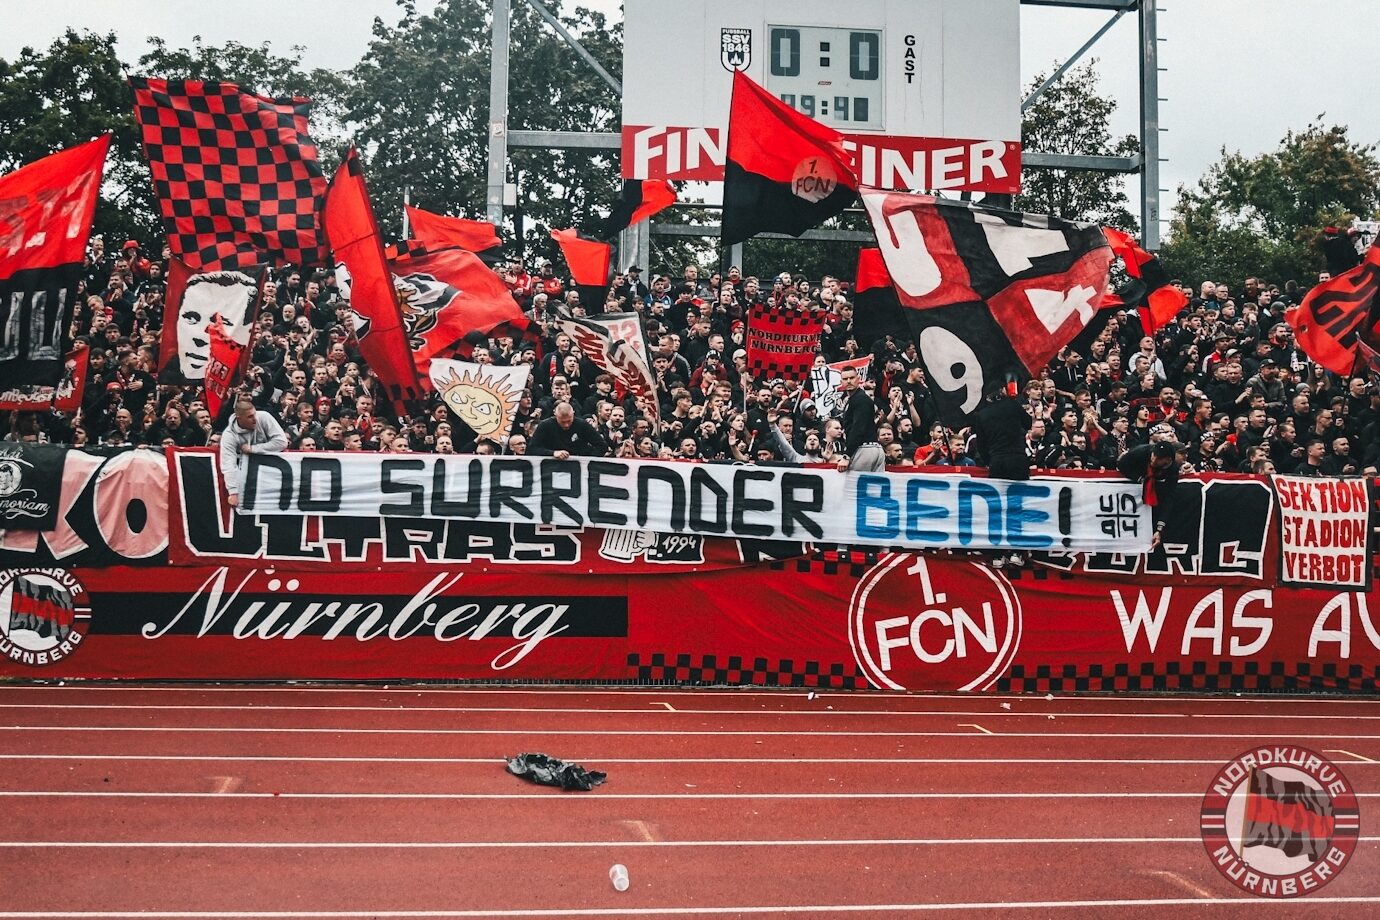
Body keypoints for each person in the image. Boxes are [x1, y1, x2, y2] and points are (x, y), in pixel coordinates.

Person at [219, 397, 288, 508]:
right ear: (239, 418)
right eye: (250, 417)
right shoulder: (229, 435)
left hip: (271, 469)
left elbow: (281, 442)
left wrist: (253, 449)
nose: (255, 419)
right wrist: (233, 492)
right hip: (248, 475)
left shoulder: (264, 417)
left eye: (254, 414)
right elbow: (228, 464)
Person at [1116, 440, 1182, 550]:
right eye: (1154, 455)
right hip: (1133, 479)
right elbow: (1121, 464)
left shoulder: (1173, 469)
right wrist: (1140, 479)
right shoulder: (1140, 452)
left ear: (1168, 460)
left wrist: (1159, 529)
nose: (1154, 459)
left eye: (1159, 458)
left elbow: (1169, 498)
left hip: (1154, 497)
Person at [839, 364, 883, 471]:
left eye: (852, 378)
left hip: (864, 449)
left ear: (859, 379)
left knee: (853, 485)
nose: (849, 381)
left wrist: (847, 455)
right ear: (841, 382)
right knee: (874, 487)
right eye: (845, 379)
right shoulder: (856, 399)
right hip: (873, 448)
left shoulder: (860, 399)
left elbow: (858, 428)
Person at [527, 402, 608, 459]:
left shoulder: (582, 425)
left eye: (569, 421)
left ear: (573, 414)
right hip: (552, 466)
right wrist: (553, 453)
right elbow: (533, 448)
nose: (566, 425)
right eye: (562, 421)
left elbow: (602, 446)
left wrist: (585, 458)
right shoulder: (545, 425)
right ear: (555, 415)